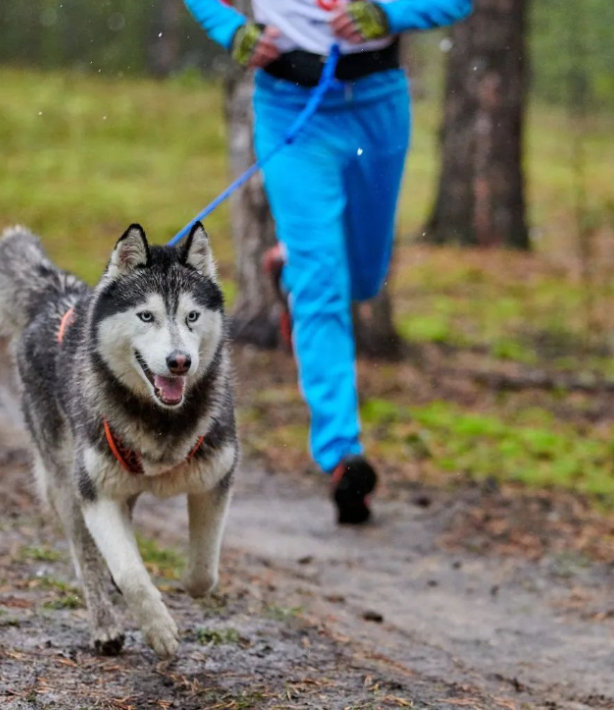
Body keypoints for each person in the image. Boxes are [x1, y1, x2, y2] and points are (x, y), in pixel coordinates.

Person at [184, 0, 471, 525]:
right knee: (323, 285)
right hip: (291, 108)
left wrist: (391, 14)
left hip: (377, 109)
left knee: (363, 278)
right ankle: (341, 454)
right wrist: (231, 30)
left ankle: (289, 271)